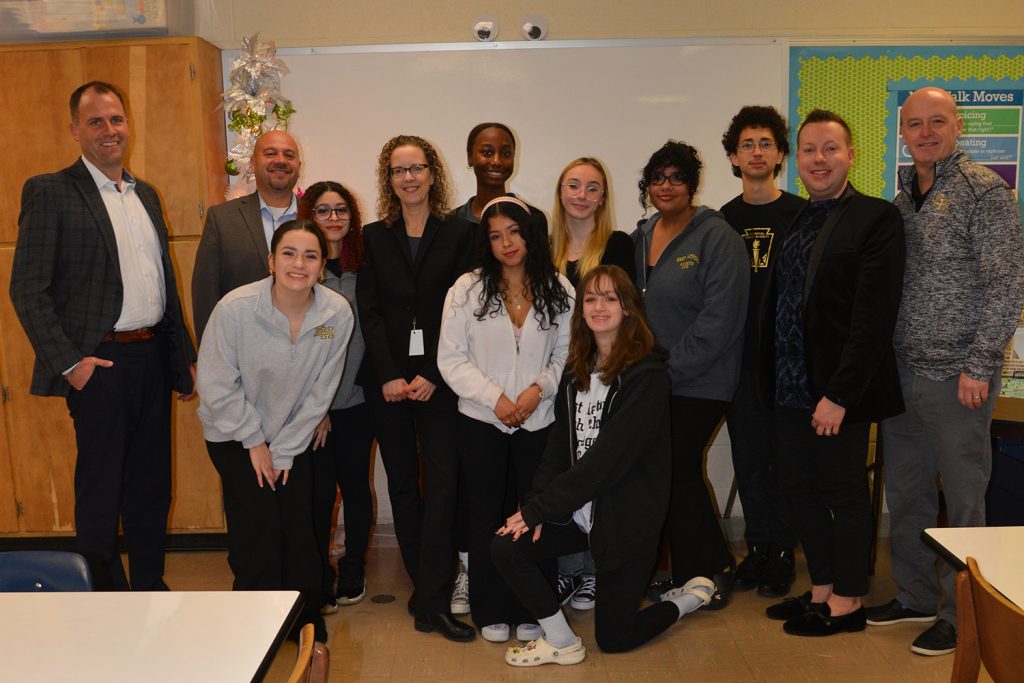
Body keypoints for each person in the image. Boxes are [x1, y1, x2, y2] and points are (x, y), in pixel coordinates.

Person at [10, 81, 196, 591]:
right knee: (101, 493)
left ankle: (150, 588)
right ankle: (106, 598)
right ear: (75, 130)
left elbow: (165, 286)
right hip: (101, 367)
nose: (109, 130)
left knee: (152, 490)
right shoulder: (50, 191)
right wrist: (72, 364)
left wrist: (181, 362)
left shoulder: (146, 195)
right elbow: (27, 289)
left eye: (116, 119)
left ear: (127, 124)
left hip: (153, 359)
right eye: (96, 122)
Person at [866, 87, 1024, 656]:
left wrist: (980, 363)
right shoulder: (904, 196)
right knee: (906, 494)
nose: (926, 132)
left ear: (958, 127)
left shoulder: (986, 192)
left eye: (937, 122)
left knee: (963, 503)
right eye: (915, 124)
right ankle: (912, 596)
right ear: (902, 134)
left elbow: (1006, 284)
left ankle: (964, 616)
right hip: (903, 373)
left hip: (959, 376)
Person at [492, 265, 713, 667]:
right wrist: (536, 504)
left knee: (615, 638)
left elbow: (606, 461)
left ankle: (686, 601)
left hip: (626, 520)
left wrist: (541, 509)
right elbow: (558, 449)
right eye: (591, 298)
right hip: (580, 514)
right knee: (506, 546)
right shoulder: (577, 369)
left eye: (611, 298)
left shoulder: (646, 374)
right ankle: (561, 641)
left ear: (629, 308)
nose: (599, 306)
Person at [762, 109, 905, 637]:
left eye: (830, 149)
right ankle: (821, 585)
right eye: (809, 150)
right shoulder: (800, 217)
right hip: (789, 387)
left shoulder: (875, 218)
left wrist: (841, 394)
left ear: (850, 155)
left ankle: (847, 601)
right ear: (796, 158)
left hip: (837, 392)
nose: (818, 160)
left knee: (843, 491)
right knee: (797, 486)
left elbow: (873, 316)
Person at [196, 218, 353, 665]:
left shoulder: (334, 314)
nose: (298, 264)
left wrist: (283, 447)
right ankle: (253, 620)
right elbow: (217, 383)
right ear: (270, 261)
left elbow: (323, 387)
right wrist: (255, 441)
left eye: (310, 256)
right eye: (288, 254)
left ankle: (304, 621)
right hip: (233, 433)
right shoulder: (236, 309)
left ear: (323, 266)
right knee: (258, 525)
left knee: (301, 525)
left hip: (294, 431)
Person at [438, 196, 574, 642]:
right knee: (485, 515)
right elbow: (451, 359)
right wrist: (495, 399)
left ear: (529, 233)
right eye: (495, 236)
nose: (506, 243)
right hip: (481, 422)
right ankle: (490, 606)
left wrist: (538, 390)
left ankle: (534, 605)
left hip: (540, 422)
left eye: (513, 231)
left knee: (534, 516)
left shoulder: (560, 287)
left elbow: (567, 354)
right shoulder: (466, 289)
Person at [357, 134, 476, 641]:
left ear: (433, 175)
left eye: (417, 168)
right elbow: (371, 310)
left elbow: (463, 308)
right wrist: (388, 374)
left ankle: (432, 597)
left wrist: (430, 372)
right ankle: (425, 589)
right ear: (389, 179)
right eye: (399, 170)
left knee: (444, 484)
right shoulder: (373, 235)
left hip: (441, 379)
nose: (409, 178)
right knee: (403, 485)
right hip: (386, 382)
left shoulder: (461, 232)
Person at [633, 140, 749, 609]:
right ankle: (691, 573)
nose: (666, 186)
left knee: (677, 470)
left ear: (692, 183)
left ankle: (715, 571)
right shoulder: (642, 234)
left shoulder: (717, 237)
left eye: (676, 177)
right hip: (653, 381)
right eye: (657, 178)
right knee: (670, 475)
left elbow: (719, 322)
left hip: (700, 383)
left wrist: (667, 372)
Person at [719, 106, 806, 597]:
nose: (756, 152)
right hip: (739, 363)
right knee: (749, 459)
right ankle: (757, 548)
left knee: (786, 460)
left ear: (779, 154)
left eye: (765, 143)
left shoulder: (800, 213)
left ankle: (781, 553)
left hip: (788, 365)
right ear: (734, 156)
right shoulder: (721, 220)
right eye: (747, 144)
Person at [548, 156, 635, 610]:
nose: (581, 195)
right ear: (560, 191)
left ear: (603, 197)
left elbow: (625, 314)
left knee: (597, 472)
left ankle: (595, 572)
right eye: (573, 185)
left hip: (601, 378)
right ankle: (568, 571)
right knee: (563, 472)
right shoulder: (544, 248)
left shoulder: (618, 245)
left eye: (592, 188)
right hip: (555, 380)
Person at [299, 181, 375, 612]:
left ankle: (353, 568)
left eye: (341, 210)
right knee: (320, 492)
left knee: (356, 488)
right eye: (323, 210)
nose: (333, 218)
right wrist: (318, 405)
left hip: (359, 402)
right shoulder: (302, 267)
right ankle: (320, 573)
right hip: (316, 408)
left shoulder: (364, 265)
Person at [192, 129, 302, 342]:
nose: (281, 161)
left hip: (305, 351)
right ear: (252, 163)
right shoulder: (223, 219)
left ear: (299, 166)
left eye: (289, 155)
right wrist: (210, 355)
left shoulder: (318, 218)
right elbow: (205, 295)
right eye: (270, 153)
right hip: (241, 351)